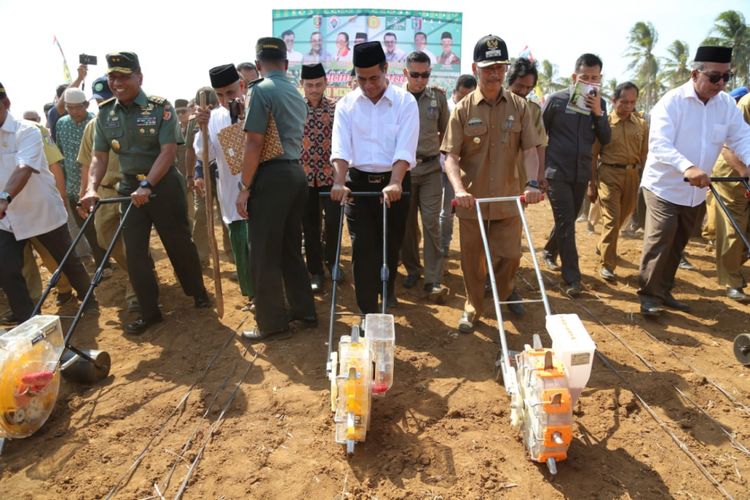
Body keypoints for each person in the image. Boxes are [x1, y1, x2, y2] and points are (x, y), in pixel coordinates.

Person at [81, 51, 209, 334]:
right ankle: (150, 311)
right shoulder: (106, 113)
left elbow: (168, 151)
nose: (117, 82)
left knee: (177, 244)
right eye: (113, 77)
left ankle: (197, 291)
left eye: (124, 76)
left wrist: (148, 184)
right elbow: (98, 157)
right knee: (135, 253)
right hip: (129, 189)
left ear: (139, 76)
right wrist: (91, 187)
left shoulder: (159, 107)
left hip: (162, 186)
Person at [638, 46, 750, 317]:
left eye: (727, 77)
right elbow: (660, 144)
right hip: (663, 186)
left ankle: (664, 290)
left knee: (679, 242)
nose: (721, 83)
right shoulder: (672, 101)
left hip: (697, 192)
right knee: (662, 237)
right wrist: (687, 167)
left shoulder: (726, 105)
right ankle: (649, 296)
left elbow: (742, 138)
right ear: (695, 73)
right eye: (714, 77)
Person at [441, 35, 543, 333]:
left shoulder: (520, 107)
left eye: (500, 66)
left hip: (509, 201)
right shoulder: (462, 109)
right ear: (476, 69)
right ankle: (473, 305)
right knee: (472, 263)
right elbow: (451, 157)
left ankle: (501, 294)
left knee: (510, 256)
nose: (495, 73)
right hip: (472, 202)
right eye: (488, 67)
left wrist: (533, 183)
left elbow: (529, 150)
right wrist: (459, 190)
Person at [236, 37, 316, 339]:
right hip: (296, 174)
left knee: (264, 254)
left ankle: (271, 323)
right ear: (285, 63)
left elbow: (254, 141)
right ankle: (304, 311)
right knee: (290, 249)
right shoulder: (296, 94)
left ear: (258, 65)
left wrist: (245, 186)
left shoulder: (261, 91)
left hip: (271, 177)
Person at [330, 41, 419, 313]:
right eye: (361, 79)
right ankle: (367, 309)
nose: (368, 85)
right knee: (363, 246)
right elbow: (341, 147)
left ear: (386, 70)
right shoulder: (346, 105)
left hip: (395, 182)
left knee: (390, 244)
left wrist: (395, 181)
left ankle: (387, 288)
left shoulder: (405, 102)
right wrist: (338, 181)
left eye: (374, 78)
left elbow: (405, 145)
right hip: (358, 184)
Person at [0, 81, 97, 323]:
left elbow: (25, 167)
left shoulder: (27, 131)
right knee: (8, 269)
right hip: (7, 220)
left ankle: (88, 299)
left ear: (6, 103)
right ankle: (27, 319)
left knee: (66, 260)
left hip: (41, 211)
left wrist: (4, 198)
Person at [541, 53, 611, 296]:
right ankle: (572, 278)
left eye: (595, 78)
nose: (590, 82)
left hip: (581, 173)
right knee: (566, 222)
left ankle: (550, 250)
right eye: (585, 77)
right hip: (557, 171)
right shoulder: (556, 101)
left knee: (569, 218)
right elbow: (540, 135)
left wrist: (598, 114)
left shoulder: (600, 104)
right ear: (574, 77)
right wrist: (540, 172)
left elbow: (606, 139)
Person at [193, 64, 253, 310]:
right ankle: (254, 296)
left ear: (241, 86)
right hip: (231, 195)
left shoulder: (255, 109)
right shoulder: (213, 117)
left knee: (263, 248)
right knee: (241, 248)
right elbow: (202, 154)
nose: (225, 99)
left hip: (259, 192)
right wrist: (202, 128)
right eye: (219, 95)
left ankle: (272, 292)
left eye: (229, 93)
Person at [78, 75, 139, 312]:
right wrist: (85, 193)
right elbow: (87, 164)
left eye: (107, 99)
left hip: (130, 192)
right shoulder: (92, 127)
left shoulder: (134, 120)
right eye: (98, 101)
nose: (102, 104)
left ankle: (136, 288)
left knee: (133, 242)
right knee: (106, 240)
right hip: (104, 194)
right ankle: (140, 268)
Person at [400, 51, 450, 303]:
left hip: (430, 170)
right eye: (416, 74)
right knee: (406, 226)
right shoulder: (396, 98)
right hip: (404, 172)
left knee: (432, 222)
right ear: (405, 73)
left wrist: (440, 157)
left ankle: (433, 278)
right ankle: (412, 269)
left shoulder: (438, 98)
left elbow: (447, 132)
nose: (421, 79)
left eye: (426, 74)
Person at [590, 81, 648, 281]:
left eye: (632, 103)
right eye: (624, 102)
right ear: (614, 101)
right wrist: (592, 185)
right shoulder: (603, 123)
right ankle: (607, 265)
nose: (628, 107)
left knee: (622, 218)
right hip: (609, 174)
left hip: (632, 176)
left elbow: (644, 153)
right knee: (612, 220)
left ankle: (602, 246)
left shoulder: (641, 124)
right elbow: (593, 155)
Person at [56, 87, 111, 271]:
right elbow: (60, 155)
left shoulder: (96, 123)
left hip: (96, 186)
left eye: (77, 107)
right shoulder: (61, 124)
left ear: (86, 105)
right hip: (72, 187)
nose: (73, 111)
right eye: (69, 107)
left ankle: (111, 260)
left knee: (101, 227)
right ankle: (102, 264)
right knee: (86, 228)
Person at [299, 63, 341, 293]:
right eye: (309, 85)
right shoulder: (295, 109)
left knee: (334, 223)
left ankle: (333, 262)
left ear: (325, 83)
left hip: (331, 177)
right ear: (302, 86)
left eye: (318, 84)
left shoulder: (336, 108)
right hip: (303, 179)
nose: (314, 89)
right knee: (310, 226)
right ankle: (315, 271)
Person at [711, 92, 750, 302]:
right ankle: (732, 282)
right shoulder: (746, 104)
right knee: (733, 229)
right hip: (734, 174)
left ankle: (733, 263)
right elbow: (727, 145)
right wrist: (745, 172)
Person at [440, 74, 477, 257]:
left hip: (465, 170)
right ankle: (443, 246)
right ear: (456, 91)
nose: (465, 100)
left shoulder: (476, 110)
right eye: (462, 96)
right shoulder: (445, 106)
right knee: (444, 212)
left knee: (459, 210)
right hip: (441, 166)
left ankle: (455, 246)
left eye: (470, 96)